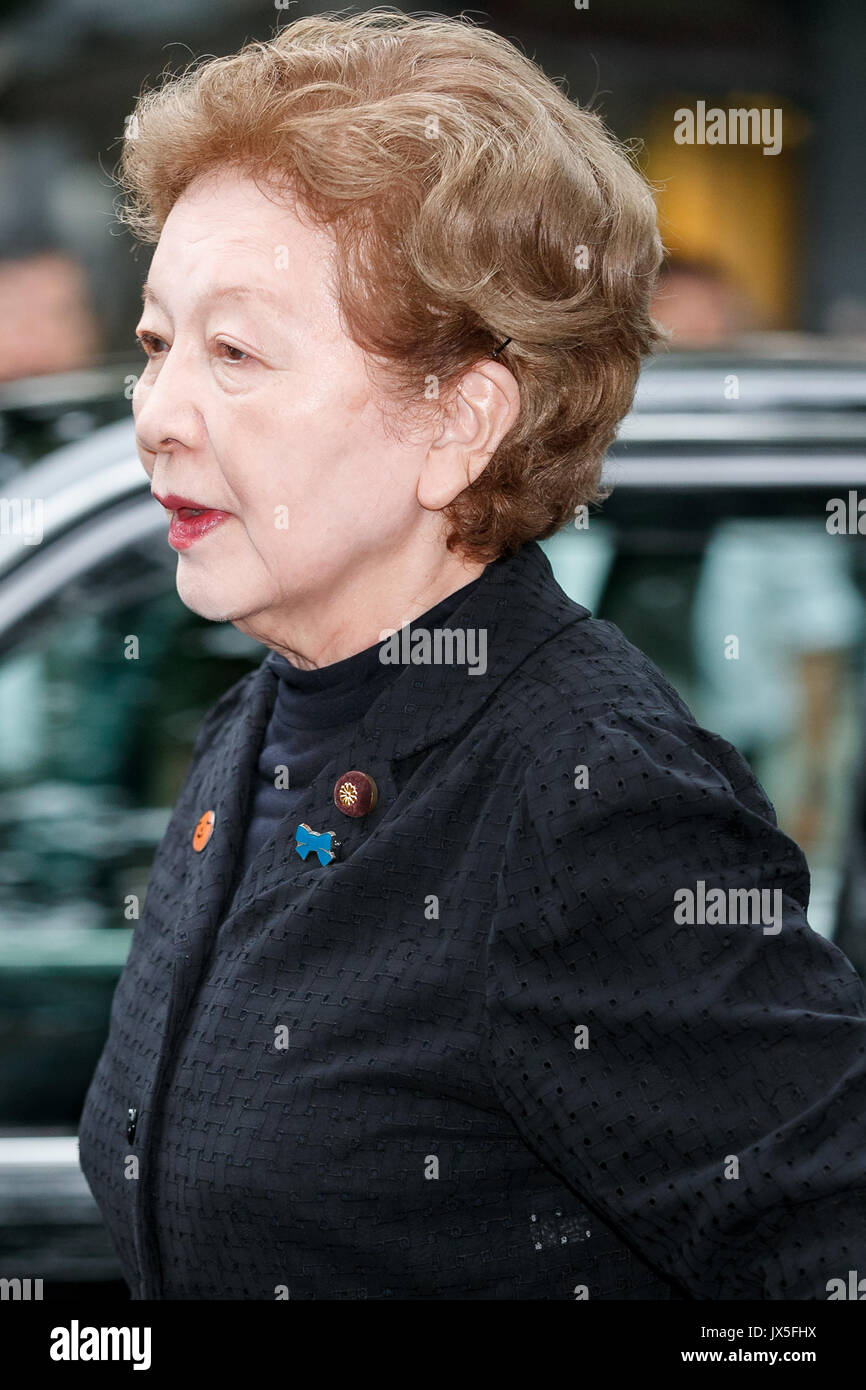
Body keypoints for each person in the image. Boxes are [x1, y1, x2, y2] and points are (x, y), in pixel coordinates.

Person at [78, 10, 866, 1300]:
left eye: (235, 352)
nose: (157, 417)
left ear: (460, 417)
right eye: (159, 347)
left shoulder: (589, 795)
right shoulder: (258, 731)